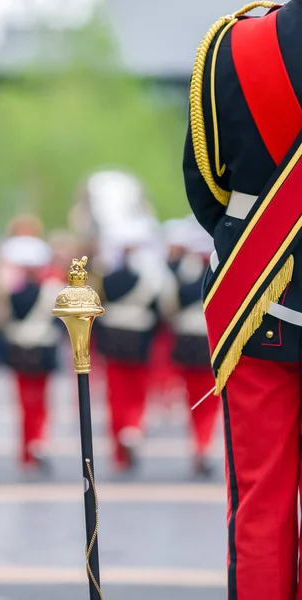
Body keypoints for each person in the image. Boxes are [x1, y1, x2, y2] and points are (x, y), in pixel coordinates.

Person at [184, 2, 302, 599]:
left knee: (258, 501)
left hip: (258, 296)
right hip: (259, 298)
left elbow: (207, 190)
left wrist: (265, 244)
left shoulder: (235, 45)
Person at [95, 223, 177, 471]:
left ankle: (119, 450)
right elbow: (161, 315)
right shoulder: (150, 280)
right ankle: (133, 428)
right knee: (137, 392)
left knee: (115, 394)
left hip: (112, 340)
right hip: (139, 340)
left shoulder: (106, 278)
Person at [0, 236, 63, 470]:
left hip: (19, 349)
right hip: (43, 348)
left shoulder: (10, 291)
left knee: (25, 403)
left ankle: (26, 451)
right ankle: (39, 441)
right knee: (42, 401)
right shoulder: (53, 289)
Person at [167, 217, 218, 476]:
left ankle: (201, 445)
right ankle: (203, 445)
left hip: (188, 339)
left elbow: (169, 306)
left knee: (196, 398)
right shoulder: (221, 268)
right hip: (210, 338)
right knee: (207, 399)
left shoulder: (179, 272)